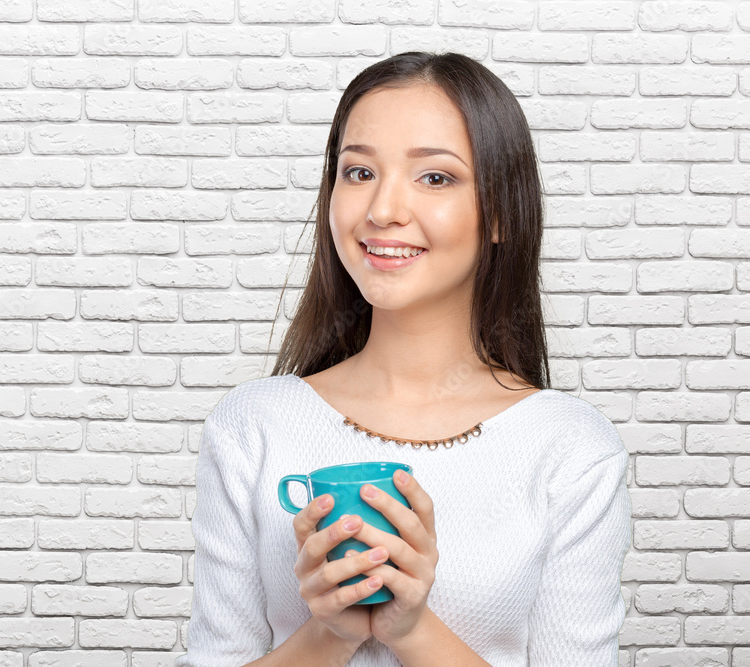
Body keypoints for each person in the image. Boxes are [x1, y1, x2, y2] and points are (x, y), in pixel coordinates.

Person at [175, 51, 631, 667]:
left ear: (498, 211)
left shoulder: (570, 448)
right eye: (358, 172)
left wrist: (412, 630)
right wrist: (328, 634)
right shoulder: (250, 427)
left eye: (435, 177)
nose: (382, 209)